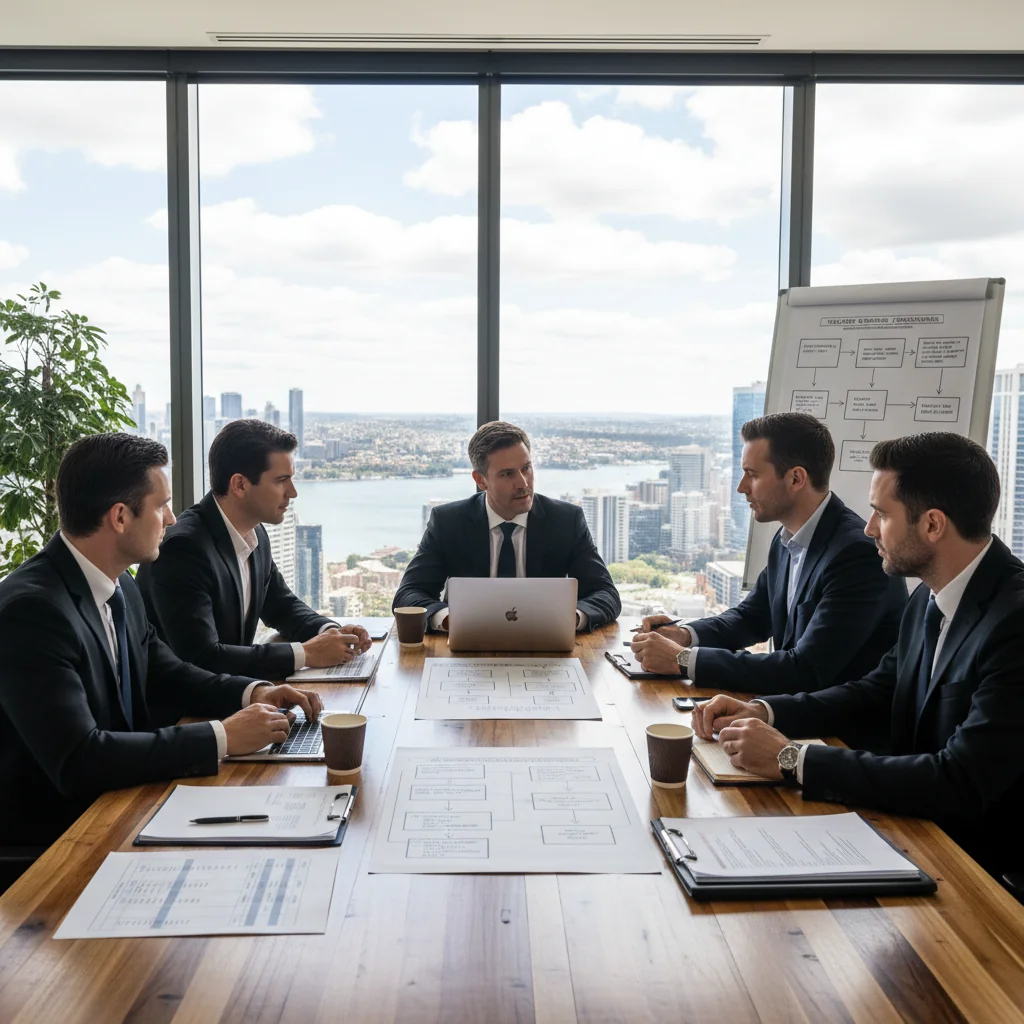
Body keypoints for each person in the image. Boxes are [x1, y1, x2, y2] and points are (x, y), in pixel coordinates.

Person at [692, 432, 1024, 879]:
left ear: (932, 525)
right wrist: (767, 712)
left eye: (882, 514)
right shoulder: (930, 596)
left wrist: (793, 759)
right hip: (915, 834)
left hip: (981, 876)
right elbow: (877, 690)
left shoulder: (1014, 623)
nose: (868, 528)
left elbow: (960, 780)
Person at [0, 433, 323, 850]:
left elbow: (167, 671)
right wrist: (221, 737)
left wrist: (254, 691)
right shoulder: (32, 611)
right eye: (161, 505)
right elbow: (79, 760)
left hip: (124, 803)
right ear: (120, 516)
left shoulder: (121, 587)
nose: (171, 519)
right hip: (58, 844)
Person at [631, 413, 907, 701]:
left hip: (839, 733)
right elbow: (752, 618)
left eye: (752, 474)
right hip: (794, 713)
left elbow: (807, 669)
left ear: (796, 478)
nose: (741, 487)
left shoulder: (856, 555)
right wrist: (684, 635)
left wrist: (684, 660)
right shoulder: (787, 538)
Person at [137, 419, 370, 681]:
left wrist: (330, 632)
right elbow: (202, 657)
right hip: (186, 711)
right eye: (281, 480)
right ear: (240, 485)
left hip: (232, 693)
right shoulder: (183, 549)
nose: (292, 493)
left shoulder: (254, 532)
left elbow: (280, 605)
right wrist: (305, 654)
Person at [393, 420, 621, 632]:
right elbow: (408, 594)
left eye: (526, 468)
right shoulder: (448, 522)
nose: (523, 483)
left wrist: (573, 617)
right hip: (467, 649)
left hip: (546, 645)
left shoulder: (566, 520)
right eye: (507, 474)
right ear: (480, 480)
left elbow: (606, 593)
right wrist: (448, 619)